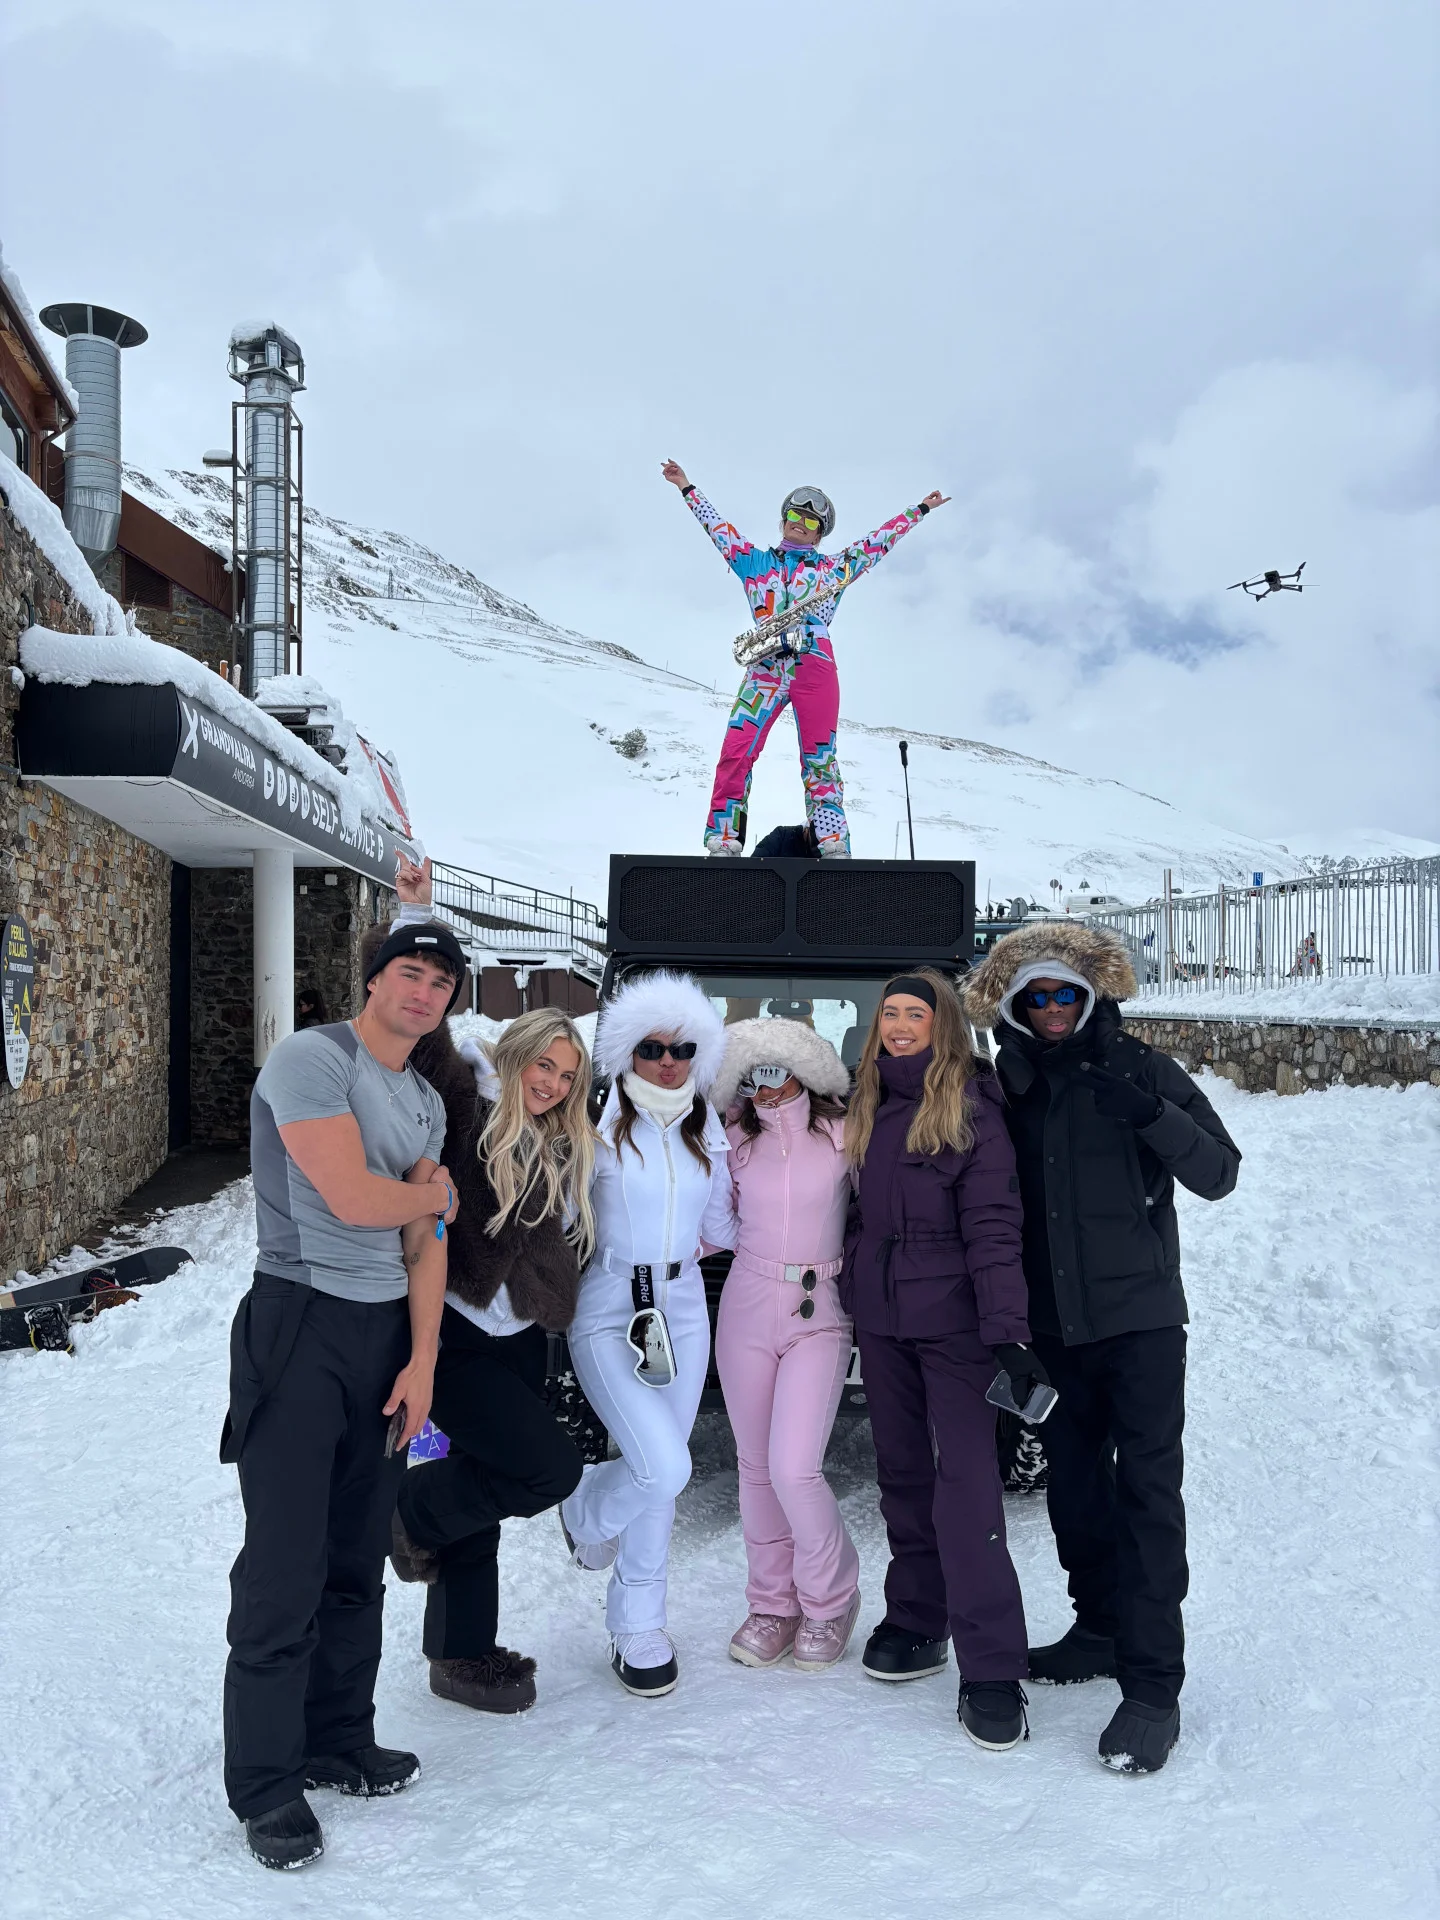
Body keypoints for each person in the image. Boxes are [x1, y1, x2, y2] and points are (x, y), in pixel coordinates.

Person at [964, 923, 1241, 1775]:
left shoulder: (1143, 1069)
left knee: (1148, 1495)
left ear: (1092, 996)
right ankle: (1100, 1626)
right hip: (1052, 1334)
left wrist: (1153, 1115)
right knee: (1076, 1492)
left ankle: (1154, 1685)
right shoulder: (1003, 1085)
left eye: (1065, 994)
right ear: (1014, 1005)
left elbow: (1219, 1172)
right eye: (1035, 997)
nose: (1051, 1009)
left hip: (1143, 1326)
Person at [222, 913, 465, 1870]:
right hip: (298, 1319)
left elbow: (422, 1248)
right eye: (409, 974)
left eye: (440, 985)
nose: (423, 993)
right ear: (373, 980)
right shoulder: (310, 1063)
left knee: (356, 1554)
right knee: (284, 1562)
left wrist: (424, 1359)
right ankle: (268, 1785)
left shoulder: (423, 1103)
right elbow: (358, 1202)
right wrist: (435, 1195)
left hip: (380, 1340)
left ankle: (337, 1737)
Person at [375, 867, 595, 1713]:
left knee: (490, 1485)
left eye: (566, 1074)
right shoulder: (464, 1100)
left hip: (520, 1335)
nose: (550, 1082)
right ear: (517, 1053)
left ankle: (460, 1653)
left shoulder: (564, 1142)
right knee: (549, 1468)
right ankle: (410, 1516)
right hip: (454, 1326)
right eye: (543, 1064)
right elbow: (418, 1026)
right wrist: (414, 915)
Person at [843, 969, 1040, 1752]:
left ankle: (992, 1667)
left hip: (956, 1327)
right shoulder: (870, 1104)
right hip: (884, 1324)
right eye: (889, 1013)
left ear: (942, 1025)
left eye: (913, 1014)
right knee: (902, 1477)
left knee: (966, 1492)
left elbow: (994, 1227)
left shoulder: (970, 1108)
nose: (898, 1026)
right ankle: (918, 1619)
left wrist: (1010, 1334)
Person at [559, 971, 735, 1697]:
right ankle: (585, 1508)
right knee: (662, 1465)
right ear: (629, 1050)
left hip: (683, 1307)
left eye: (683, 1048)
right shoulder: (593, 1129)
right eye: (654, 1047)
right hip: (607, 1302)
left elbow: (724, 1227)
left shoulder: (708, 1131)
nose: (668, 1061)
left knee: (661, 1472)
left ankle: (638, 1624)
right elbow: (560, 1218)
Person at [661, 459, 949, 859]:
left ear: (819, 533)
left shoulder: (834, 569)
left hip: (814, 665)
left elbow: (875, 544)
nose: (801, 523)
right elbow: (718, 530)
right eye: (795, 514)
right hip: (765, 664)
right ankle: (723, 840)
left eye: (811, 521)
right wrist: (686, 487)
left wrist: (918, 511)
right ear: (783, 520)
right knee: (736, 748)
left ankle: (832, 842)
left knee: (820, 758)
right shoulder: (754, 562)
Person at [711, 1018, 860, 1671]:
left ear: (804, 1071)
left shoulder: (845, 1136)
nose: (765, 1089)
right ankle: (773, 1602)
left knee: (795, 1468)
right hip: (744, 1307)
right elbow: (702, 1216)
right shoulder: (733, 1142)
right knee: (754, 1467)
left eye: (774, 1072)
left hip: (818, 1309)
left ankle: (830, 1599)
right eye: (752, 1077)